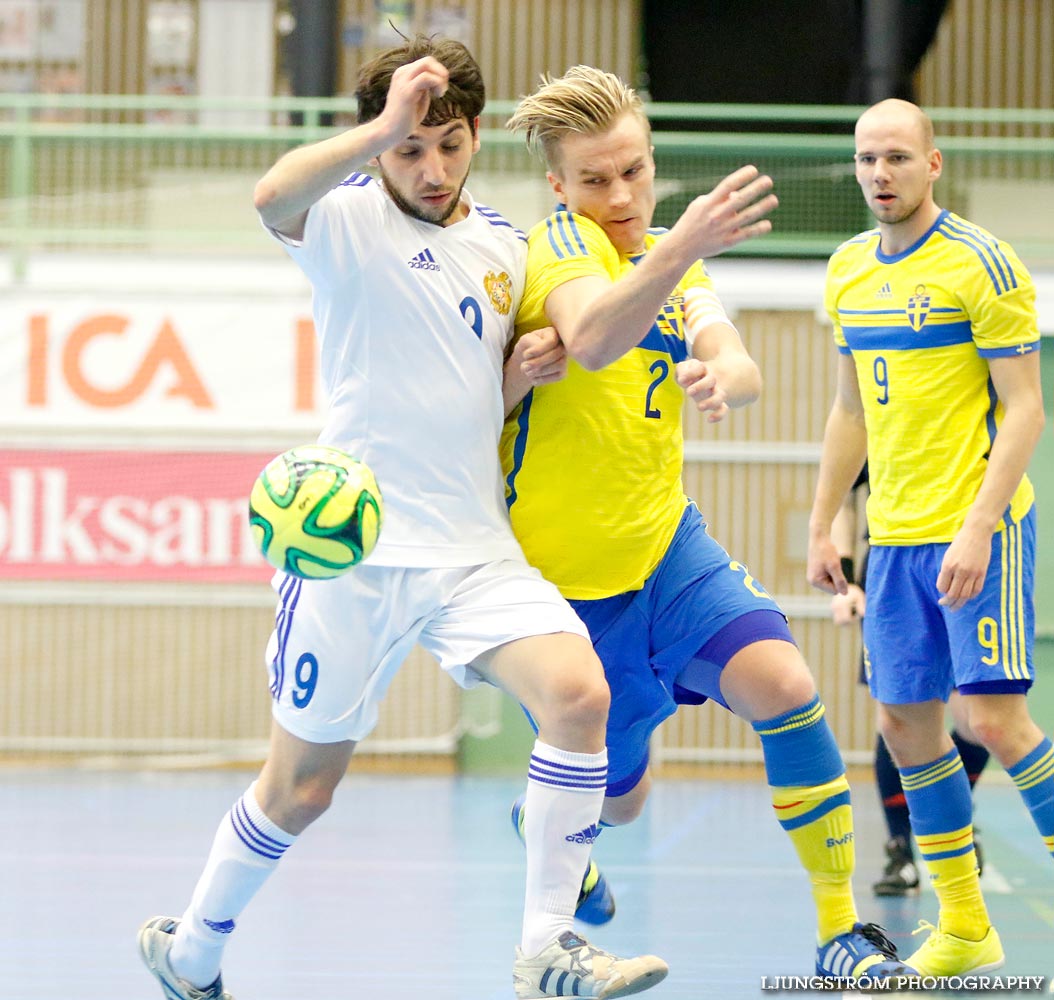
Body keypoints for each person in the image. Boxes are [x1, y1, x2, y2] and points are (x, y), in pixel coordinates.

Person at [137, 37, 669, 1000]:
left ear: (473, 139)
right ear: (379, 145)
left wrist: (513, 378)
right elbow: (269, 197)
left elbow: (482, 398)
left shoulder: (508, 247)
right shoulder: (343, 218)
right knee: (301, 789)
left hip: (471, 548)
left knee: (579, 696)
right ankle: (192, 951)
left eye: (448, 145)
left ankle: (547, 947)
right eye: (409, 149)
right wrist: (379, 127)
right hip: (354, 553)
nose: (430, 169)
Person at [499, 65, 915, 985]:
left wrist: (726, 373)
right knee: (629, 801)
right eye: (597, 179)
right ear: (559, 186)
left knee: (787, 685)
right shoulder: (560, 248)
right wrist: (679, 243)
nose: (621, 195)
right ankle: (552, 816)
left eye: (635, 172)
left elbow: (736, 354)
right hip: (567, 588)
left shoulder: (671, 258)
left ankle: (842, 932)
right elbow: (598, 333)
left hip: (667, 549)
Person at [807, 98, 1051, 977]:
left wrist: (980, 526)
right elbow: (849, 410)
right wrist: (826, 518)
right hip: (895, 539)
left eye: (898, 158)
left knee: (992, 718)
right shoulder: (845, 272)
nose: (881, 173)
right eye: (868, 158)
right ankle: (965, 926)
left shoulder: (982, 263)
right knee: (905, 726)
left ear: (933, 164)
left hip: (975, 529)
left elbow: (1026, 407)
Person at [829, 467, 991, 897]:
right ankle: (900, 849)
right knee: (900, 716)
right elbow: (842, 493)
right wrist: (845, 576)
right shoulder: (874, 406)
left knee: (977, 722)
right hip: (892, 564)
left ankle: (952, 812)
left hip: (962, 565)